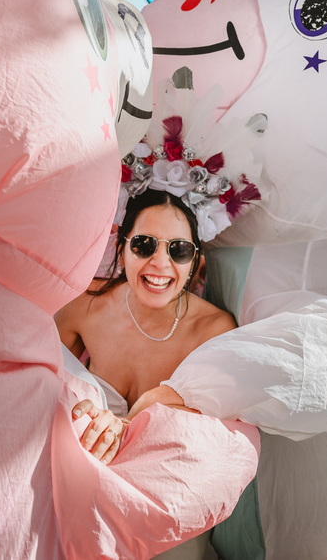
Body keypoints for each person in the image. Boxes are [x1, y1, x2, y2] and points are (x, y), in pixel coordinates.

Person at [55, 188, 239, 464]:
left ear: (193, 262)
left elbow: (209, 431)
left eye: (179, 250)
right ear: (122, 250)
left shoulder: (214, 331)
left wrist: (127, 426)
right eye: (144, 245)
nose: (161, 263)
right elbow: (42, 382)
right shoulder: (83, 306)